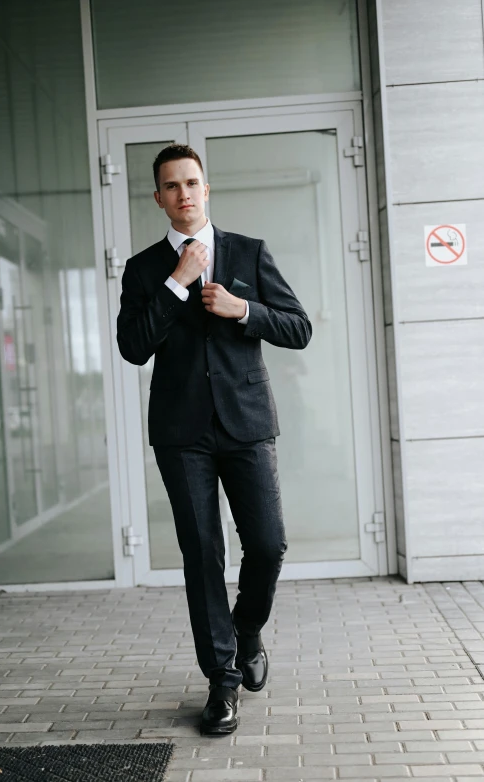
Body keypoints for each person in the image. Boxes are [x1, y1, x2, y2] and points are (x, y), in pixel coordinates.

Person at [117, 144, 312, 736]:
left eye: (192, 182)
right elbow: (133, 347)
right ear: (159, 198)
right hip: (181, 435)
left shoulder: (249, 253)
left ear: (207, 188)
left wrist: (242, 308)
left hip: (247, 423)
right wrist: (176, 285)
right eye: (172, 186)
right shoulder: (145, 269)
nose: (184, 194)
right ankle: (222, 682)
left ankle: (247, 628)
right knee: (203, 555)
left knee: (269, 544)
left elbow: (298, 328)